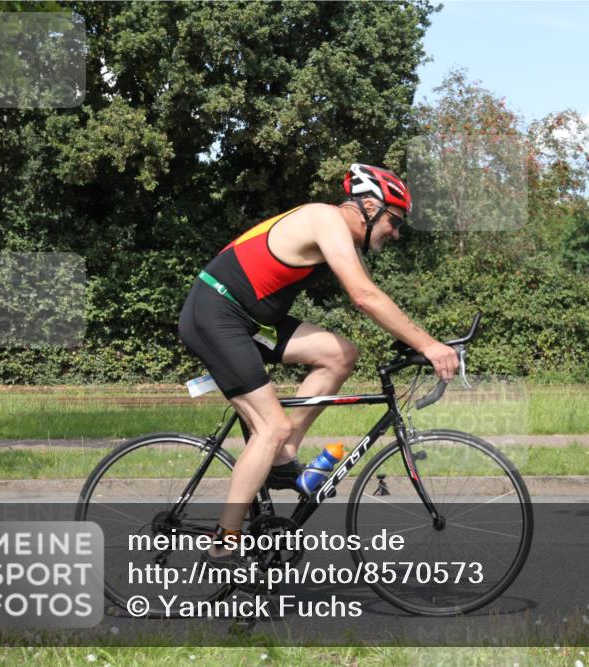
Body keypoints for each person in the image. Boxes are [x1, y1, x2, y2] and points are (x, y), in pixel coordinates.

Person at [177, 164, 459, 561]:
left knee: (340, 355)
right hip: (217, 313)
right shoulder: (325, 219)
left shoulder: (332, 228)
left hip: (251, 320)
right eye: (394, 221)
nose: (395, 233)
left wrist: (415, 341)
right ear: (368, 206)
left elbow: (364, 300)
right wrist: (429, 345)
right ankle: (225, 543)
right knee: (269, 426)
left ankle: (282, 454)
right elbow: (365, 296)